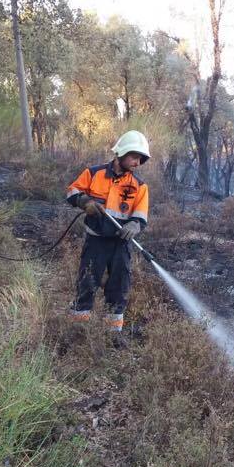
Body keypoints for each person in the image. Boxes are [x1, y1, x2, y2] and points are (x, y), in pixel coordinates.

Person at [65, 130, 151, 340]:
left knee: (119, 287)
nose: (137, 163)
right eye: (134, 157)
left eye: (140, 159)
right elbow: (72, 191)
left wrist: (134, 224)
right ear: (121, 153)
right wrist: (85, 202)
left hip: (121, 245)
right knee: (87, 282)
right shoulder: (94, 173)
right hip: (96, 240)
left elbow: (141, 215)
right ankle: (78, 331)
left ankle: (113, 335)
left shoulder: (139, 186)